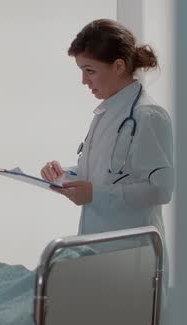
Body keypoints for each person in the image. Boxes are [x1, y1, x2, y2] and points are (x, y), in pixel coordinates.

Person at [40, 19, 174, 239]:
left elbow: (161, 189)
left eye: (90, 71)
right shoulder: (107, 112)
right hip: (101, 244)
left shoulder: (148, 116)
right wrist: (63, 174)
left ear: (119, 66)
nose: (84, 80)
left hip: (133, 250)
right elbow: (108, 174)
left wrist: (95, 194)